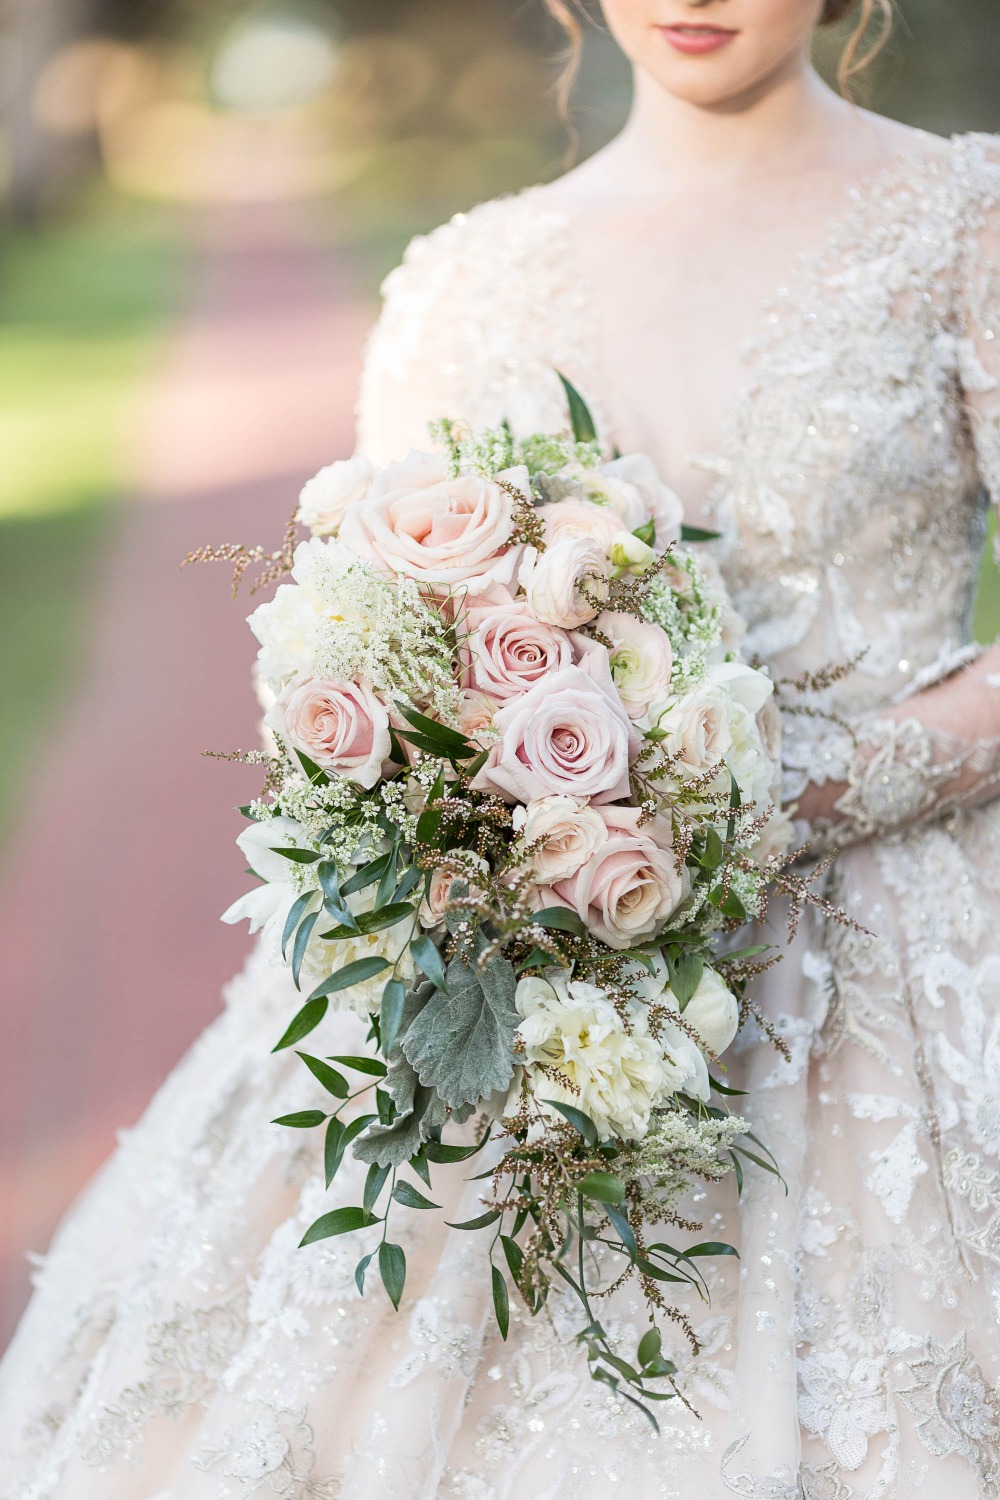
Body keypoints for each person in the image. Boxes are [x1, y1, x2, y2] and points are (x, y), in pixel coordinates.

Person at [2, 1, 999, 1494]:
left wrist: (767, 788)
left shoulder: (961, 223)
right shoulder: (465, 278)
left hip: (897, 956)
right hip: (521, 966)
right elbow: (381, 637)